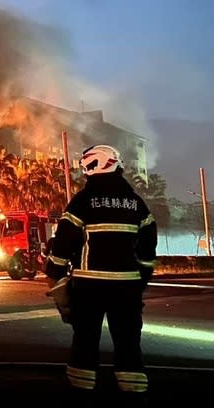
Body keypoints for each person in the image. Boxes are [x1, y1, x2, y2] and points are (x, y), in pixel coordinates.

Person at [45, 144, 157, 406]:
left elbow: (63, 242)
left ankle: (82, 392)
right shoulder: (136, 204)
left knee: (85, 340)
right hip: (127, 287)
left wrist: (55, 274)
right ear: (114, 165)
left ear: (91, 167)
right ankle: (134, 391)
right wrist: (141, 278)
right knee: (128, 341)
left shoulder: (83, 201)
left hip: (89, 286)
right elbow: (148, 246)